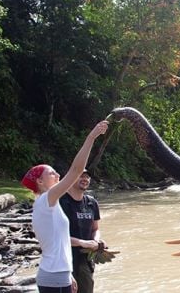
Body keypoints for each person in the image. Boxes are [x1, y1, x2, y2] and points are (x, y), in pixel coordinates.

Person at [21, 120, 108, 293]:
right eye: (52, 173)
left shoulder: (50, 204)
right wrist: (92, 137)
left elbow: (58, 243)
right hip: (55, 277)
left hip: (58, 274)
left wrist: (68, 274)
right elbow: (75, 170)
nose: (58, 174)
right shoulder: (47, 198)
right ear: (40, 181)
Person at [59, 169, 103, 293]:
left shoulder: (91, 202)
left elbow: (95, 229)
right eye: (81, 176)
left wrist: (95, 241)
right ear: (70, 178)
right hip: (64, 259)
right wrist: (83, 243)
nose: (85, 179)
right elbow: (57, 236)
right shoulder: (61, 202)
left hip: (86, 260)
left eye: (87, 177)